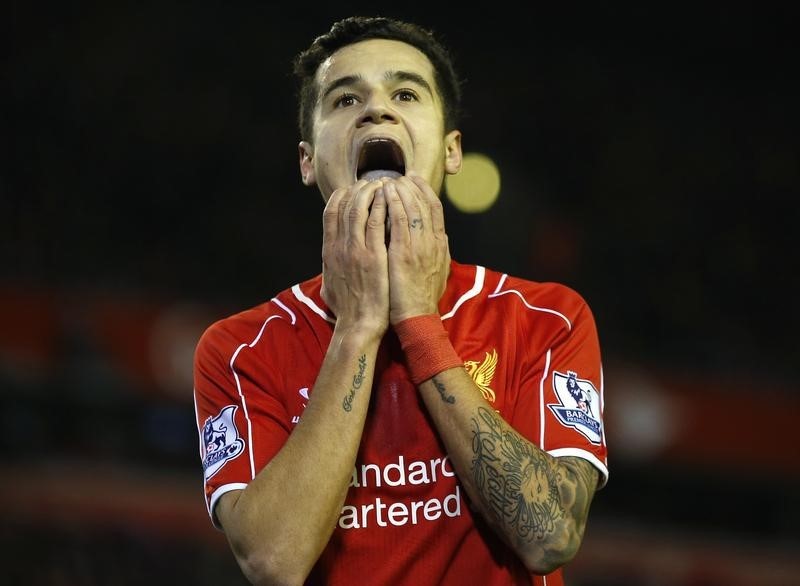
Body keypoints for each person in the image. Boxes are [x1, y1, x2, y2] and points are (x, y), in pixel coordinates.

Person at [193, 15, 608, 586]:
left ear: (451, 149)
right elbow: (274, 561)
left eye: (406, 92)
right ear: (308, 161)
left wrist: (416, 320)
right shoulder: (239, 349)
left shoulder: (547, 318)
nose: (376, 110)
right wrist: (358, 327)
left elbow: (551, 535)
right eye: (344, 99)